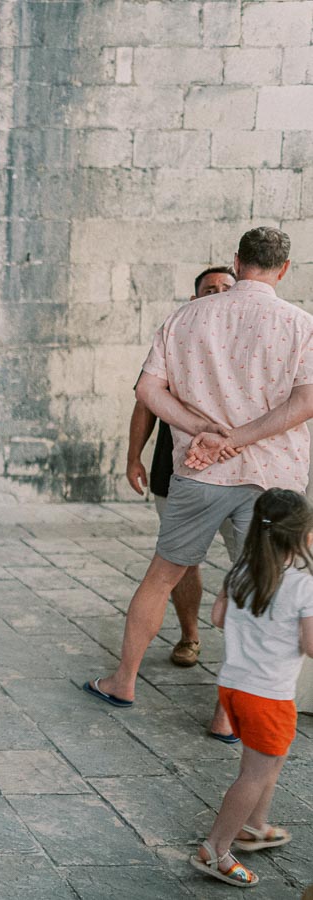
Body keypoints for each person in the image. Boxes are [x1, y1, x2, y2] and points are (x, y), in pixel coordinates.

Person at [86, 226, 313, 711]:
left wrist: (204, 428)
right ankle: (227, 717)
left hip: (197, 471)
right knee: (262, 583)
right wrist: (240, 437)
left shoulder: (184, 318)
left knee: (161, 576)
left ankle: (123, 682)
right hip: (273, 479)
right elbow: (307, 400)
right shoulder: (300, 323)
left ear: (237, 261)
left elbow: (148, 391)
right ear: (285, 268)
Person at [190, 488, 313, 888]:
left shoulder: (241, 571)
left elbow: (218, 617)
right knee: (253, 775)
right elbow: (310, 646)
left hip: (234, 688)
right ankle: (216, 849)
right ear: (302, 535)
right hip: (269, 696)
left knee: (270, 761)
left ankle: (255, 826)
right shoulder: (301, 586)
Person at [125, 265, 238, 671]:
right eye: (210, 288)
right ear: (195, 299)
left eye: (227, 287)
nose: (219, 293)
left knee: (245, 559)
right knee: (179, 560)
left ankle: (241, 653)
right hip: (175, 470)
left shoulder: (254, 335)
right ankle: (190, 636)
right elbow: (145, 400)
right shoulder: (178, 334)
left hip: (242, 472)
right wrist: (133, 456)